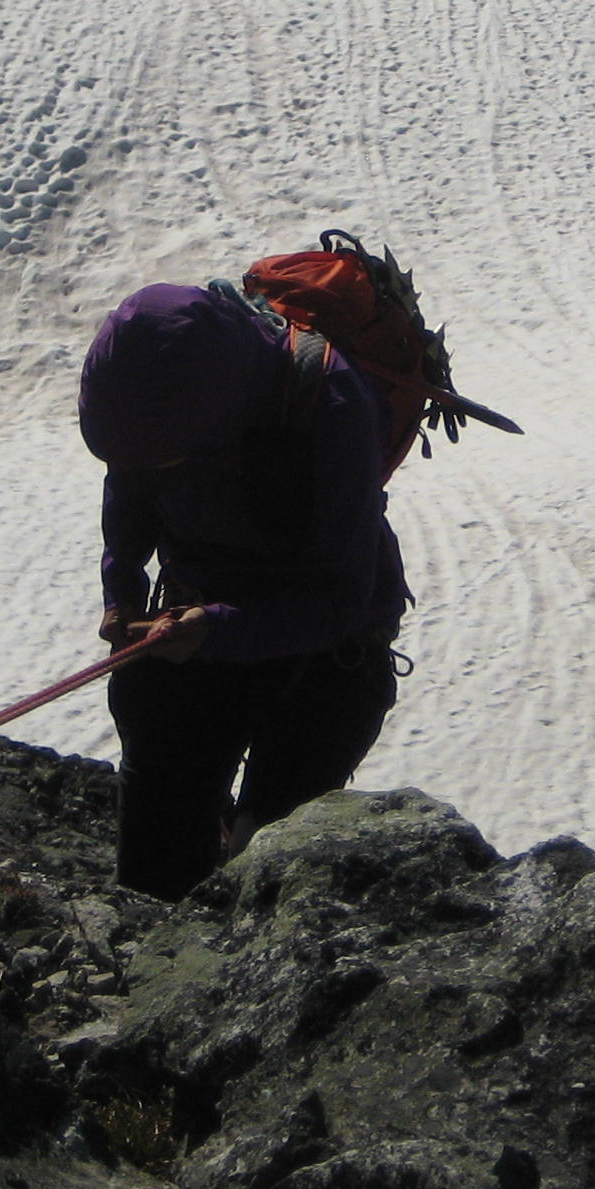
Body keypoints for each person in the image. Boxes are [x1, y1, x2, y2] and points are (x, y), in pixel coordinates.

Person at [79, 277, 410, 899]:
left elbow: (342, 598)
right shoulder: (160, 406)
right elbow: (132, 482)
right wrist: (121, 590)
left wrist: (216, 628)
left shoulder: (336, 403)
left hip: (324, 660)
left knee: (273, 860)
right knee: (158, 844)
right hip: (203, 626)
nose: (156, 470)